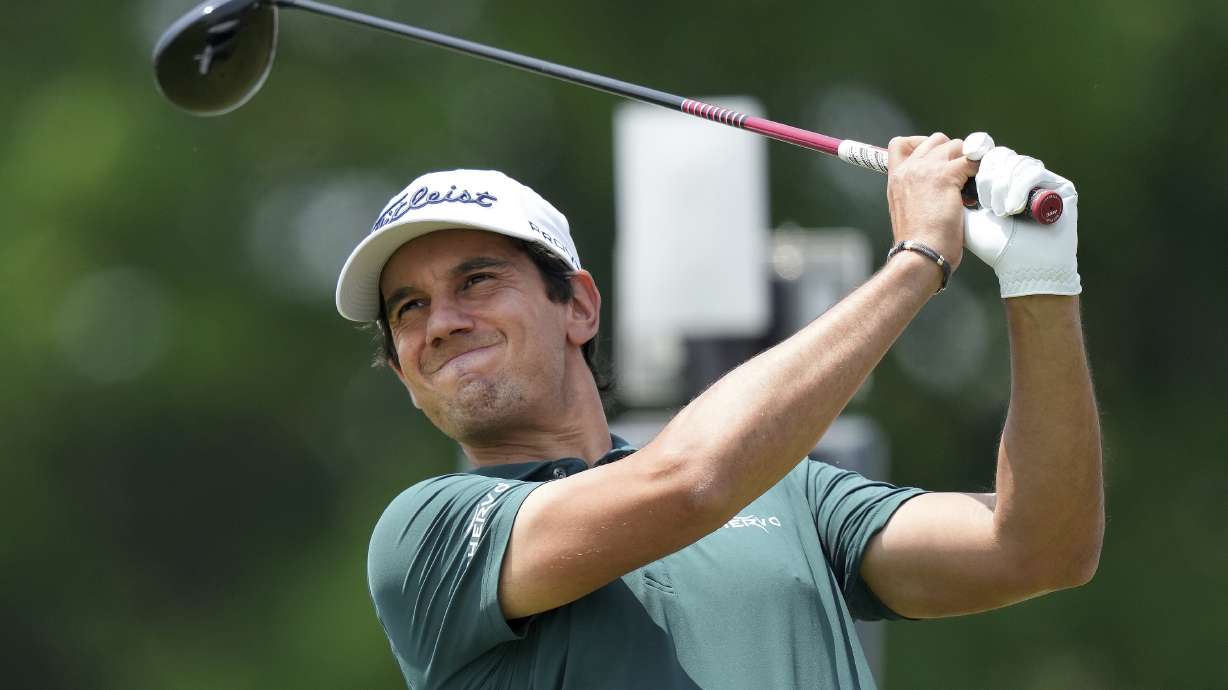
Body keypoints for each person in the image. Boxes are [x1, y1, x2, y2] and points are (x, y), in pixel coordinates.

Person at [334, 133, 1103, 689]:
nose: (441, 321)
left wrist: (1040, 282)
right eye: (409, 308)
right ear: (403, 370)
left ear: (578, 306)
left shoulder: (793, 491)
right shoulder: (425, 530)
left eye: (476, 282)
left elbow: (1040, 547)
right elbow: (690, 482)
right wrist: (917, 262)